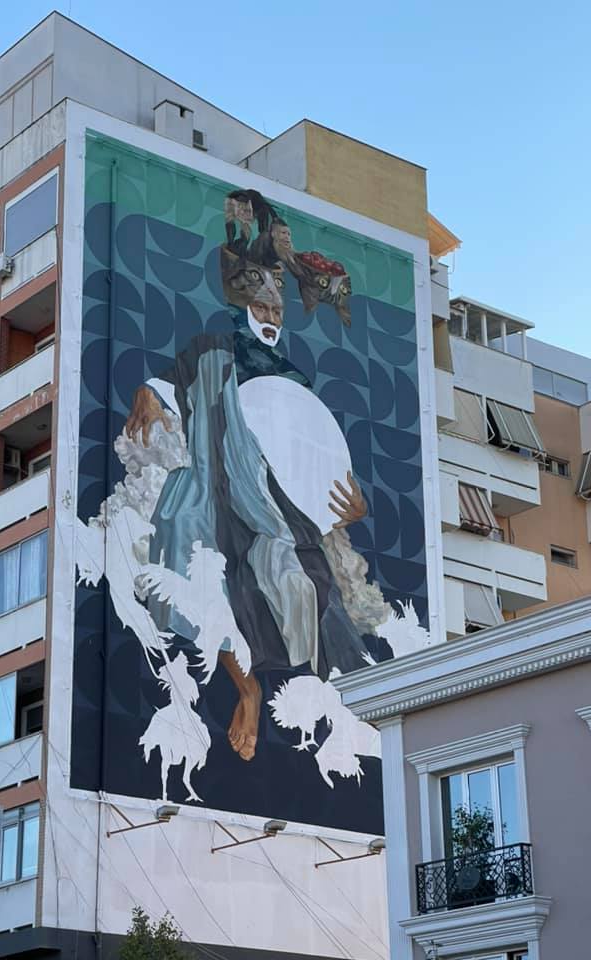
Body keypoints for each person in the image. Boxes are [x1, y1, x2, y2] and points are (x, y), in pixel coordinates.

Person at [125, 267, 373, 763]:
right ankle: (247, 689)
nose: (271, 318)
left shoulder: (294, 380)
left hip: (277, 503)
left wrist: (353, 506)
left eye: (278, 311)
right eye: (262, 308)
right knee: (191, 547)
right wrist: (146, 395)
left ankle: (359, 704)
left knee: (302, 581)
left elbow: (317, 455)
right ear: (242, 309)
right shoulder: (212, 351)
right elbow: (165, 384)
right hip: (214, 481)